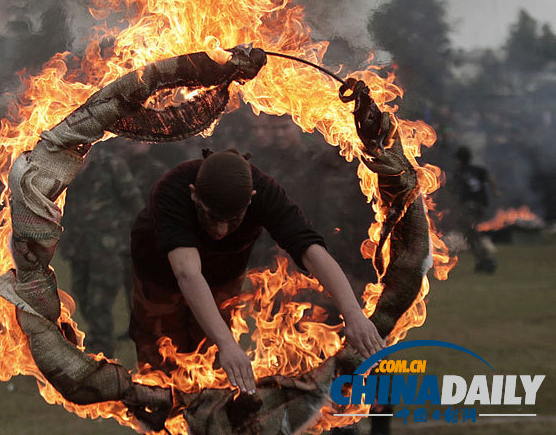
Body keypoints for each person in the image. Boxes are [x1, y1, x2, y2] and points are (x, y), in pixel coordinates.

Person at [128, 148, 384, 395]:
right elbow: (187, 273)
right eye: (211, 217)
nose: (220, 231)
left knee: (213, 357)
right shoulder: (172, 189)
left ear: (250, 199)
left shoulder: (265, 193)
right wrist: (228, 343)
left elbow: (311, 250)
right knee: (161, 357)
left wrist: (354, 315)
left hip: (223, 274)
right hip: (161, 276)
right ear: (194, 195)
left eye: (232, 220)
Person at [61, 142, 145, 356]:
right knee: (82, 294)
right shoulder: (65, 171)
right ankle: (99, 337)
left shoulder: (111, 165)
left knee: (100, 298)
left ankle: (102, 347)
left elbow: (134, 202)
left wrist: (133, 235)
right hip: (79, 246)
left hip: (108, 248)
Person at [453, 146, 499, 273]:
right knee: (470, 233)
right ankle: (481, 261)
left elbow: (456, 191)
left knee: (472, 233)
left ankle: (487, 260)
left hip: (470, 205)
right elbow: (490, 178)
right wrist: (495, 192)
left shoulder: (460, 172)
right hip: (481, 204)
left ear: (459, 160)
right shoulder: (477, 169)